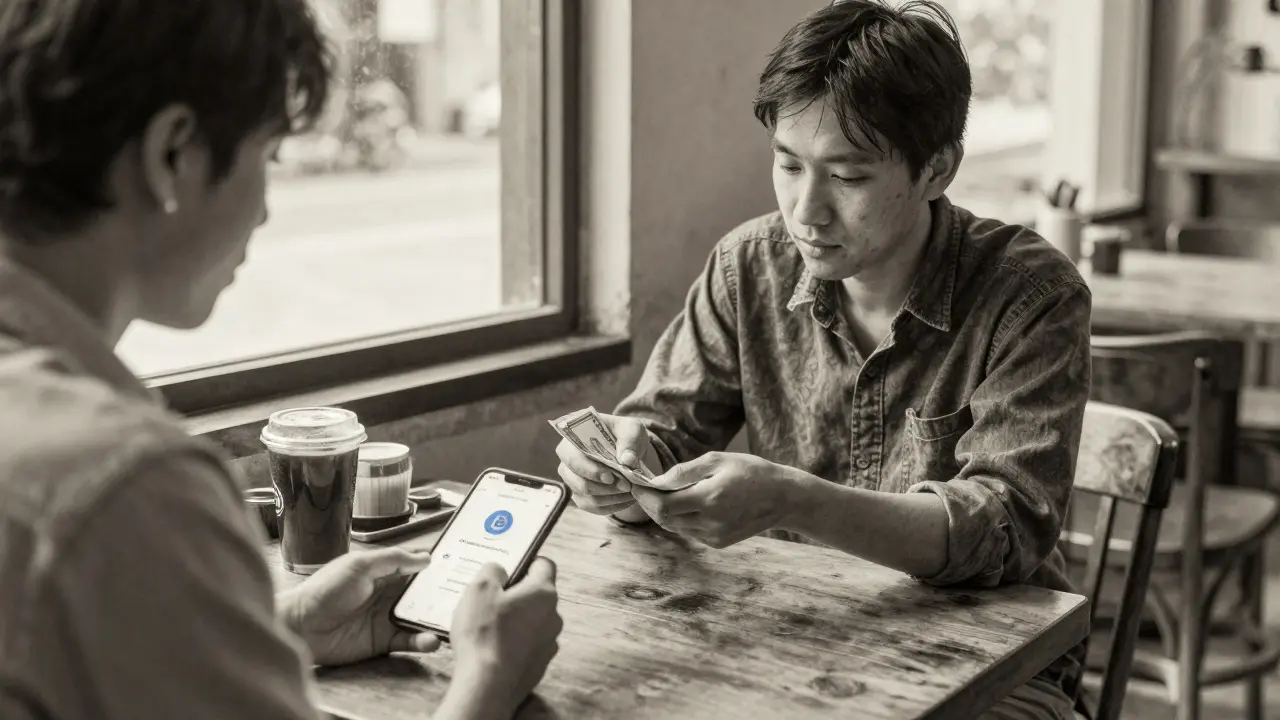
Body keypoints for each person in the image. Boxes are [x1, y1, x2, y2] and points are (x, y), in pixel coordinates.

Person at [0, 2, 560, 719]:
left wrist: (278, 631)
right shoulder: (126, 486)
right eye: (268, 156)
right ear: (173, 152)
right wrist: (488, 677)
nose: (266, 211)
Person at [555, 2, 1090, 719]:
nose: (805, 211)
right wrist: (621, 469)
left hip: (994, 659)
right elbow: (663, 431)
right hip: (792, 631)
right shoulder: (748, 267)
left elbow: (1002, 529)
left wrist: (795, 499)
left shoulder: (1029, 294)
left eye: (848, 177)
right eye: (787, 164)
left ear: (937, 169)